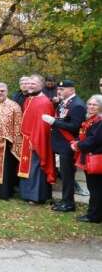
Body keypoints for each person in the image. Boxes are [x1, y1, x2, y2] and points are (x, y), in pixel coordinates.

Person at [42, 79, 86, 212]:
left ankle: (69, 203)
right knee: (64, 174)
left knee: (67, 175)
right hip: (60, 144)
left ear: (72, 90)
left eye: (62, 89)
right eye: (58, 89)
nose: (59, 91)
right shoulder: (64, 102)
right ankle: (64, 200)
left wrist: (54, 122)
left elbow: (74, 126)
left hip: (68, 144)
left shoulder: (77, 105)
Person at [18, 74, 56, 204]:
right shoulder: (29, 99)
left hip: (36, 141)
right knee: (27, 168)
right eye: (28, 83)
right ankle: (26, 194)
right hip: (26, 139)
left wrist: (35, 142)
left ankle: (36, 196)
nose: (30, 86)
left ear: (41, 85)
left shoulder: (44, 102)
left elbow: (43, 127)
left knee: (36, 168)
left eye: (33, 84)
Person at [71, 95, 102, 223]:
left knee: (95, 189)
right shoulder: (92, 120)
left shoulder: (99, 121)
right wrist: (77, 141)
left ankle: (93, 216)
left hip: (95, 157)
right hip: (92, 156)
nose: (91, 107)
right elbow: (86, 136)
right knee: (95, 188)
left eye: (94, 105)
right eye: (89, 104)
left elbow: (93, 140)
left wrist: (77, 145)